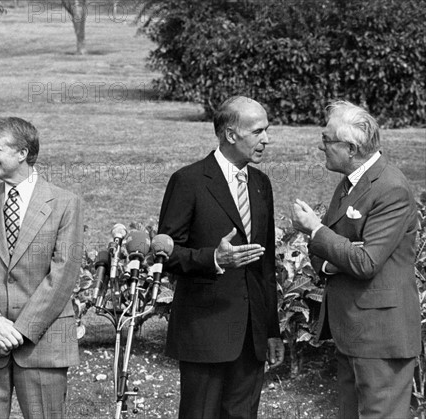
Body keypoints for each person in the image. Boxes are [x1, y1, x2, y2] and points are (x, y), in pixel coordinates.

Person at [292, 100, 420, 418]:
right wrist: (336, 254)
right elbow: (332, 253)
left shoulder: (391, 188)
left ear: (350, 148)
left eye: (326, 140)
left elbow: (364, 262)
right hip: (354, 332)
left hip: (380, 337)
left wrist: (317, 229)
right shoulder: (349, 184)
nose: (320, 147)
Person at [158, 96, 284, 419]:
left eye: (266, 131)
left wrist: (271, 330)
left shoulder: (261, 184)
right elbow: (167, 253)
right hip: (205, 334)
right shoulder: (188, 181)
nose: (266, 140)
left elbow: (266, 265)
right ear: (230, 134)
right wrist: (213, 259)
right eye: (257, 132)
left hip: (251, 339)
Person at [0, 117, 83, 419]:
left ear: (22, 153)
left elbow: (63, 275)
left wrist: (20, 332)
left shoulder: (65, 203)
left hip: (43, 347)